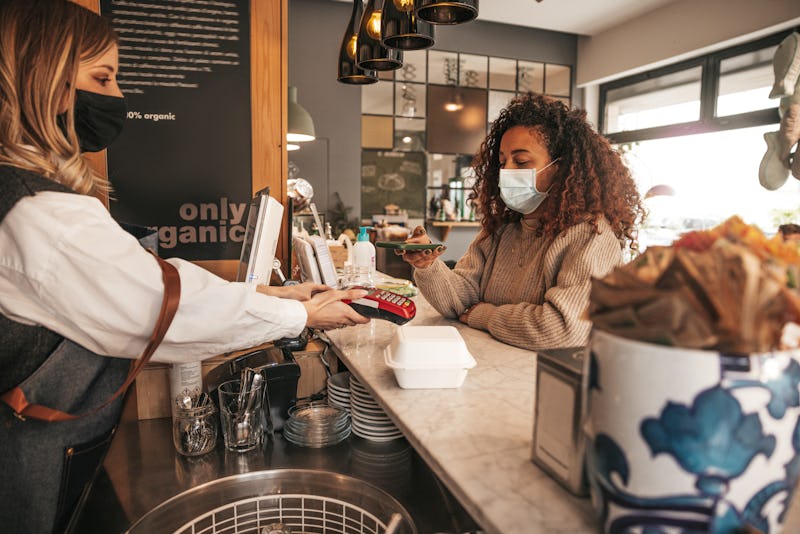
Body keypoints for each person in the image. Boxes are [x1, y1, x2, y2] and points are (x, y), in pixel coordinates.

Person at [0, 1, 368, 532]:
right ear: (47, 80)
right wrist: (301, 319)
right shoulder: (38, 213)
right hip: (26, 469)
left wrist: (276, 299)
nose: (118, 96)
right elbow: (159, 307)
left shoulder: (27, 192)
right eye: (102, 77)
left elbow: (154, 278)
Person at [400, 93, 644, 351]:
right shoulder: (500, 229)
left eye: (522, 161)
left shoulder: (590, 236)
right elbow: (460, 301)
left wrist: (487, 315)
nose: (506, 171)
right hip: (489, 372)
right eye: (503, 162)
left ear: (562, 167)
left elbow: (561, 328)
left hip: (540, 383)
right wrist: (428, 265)